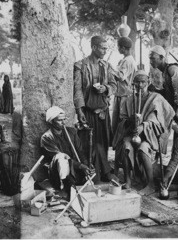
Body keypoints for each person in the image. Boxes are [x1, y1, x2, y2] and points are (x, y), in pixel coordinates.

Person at [112, 70, 175, 195]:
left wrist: (144, 125)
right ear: (133, 84)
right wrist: (130, 121)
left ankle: (150, 184)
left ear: (149, 82)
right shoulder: (128, 100)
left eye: (143, 82)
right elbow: (121, 121)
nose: (140, 85)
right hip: (132, 134)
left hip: (150, 136)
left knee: (143, 147)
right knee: (125, 145)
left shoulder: (156, 98)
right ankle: (128, 180)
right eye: (137, 83)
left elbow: (163, 117)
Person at [73, 35, 118, 182]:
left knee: (103, 144)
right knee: (88, 144)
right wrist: (79, 111)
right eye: (103, 48)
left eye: (106, 48)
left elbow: (114, 86)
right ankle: (91, 175)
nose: (105, 51)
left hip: (103, 113)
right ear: (93, 47)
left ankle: (103, 173)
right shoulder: (80, 65)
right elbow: (77, 89)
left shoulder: (106, 66)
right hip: (88, 112)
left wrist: (105, 88)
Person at [40, 106, 93, 197]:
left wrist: (86, 165)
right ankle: (65, 188)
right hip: (58, 174)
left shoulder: (71, 132)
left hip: (76, 169)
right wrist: (80, 166)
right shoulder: (47, 137)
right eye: (60, 120)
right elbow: (61, 157)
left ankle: (84, 179)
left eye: (64, 119)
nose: (63, 123)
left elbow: (80, 151)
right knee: (62, 157)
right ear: (52, 121)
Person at [111, 37, 137, 133]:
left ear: (122, 48)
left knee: (121, 121)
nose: (118, 49)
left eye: (118, 47)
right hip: (123, 94)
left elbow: (120, 76)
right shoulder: (127, 60)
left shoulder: (127, 61)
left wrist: (109, 69)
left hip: (124, 95)